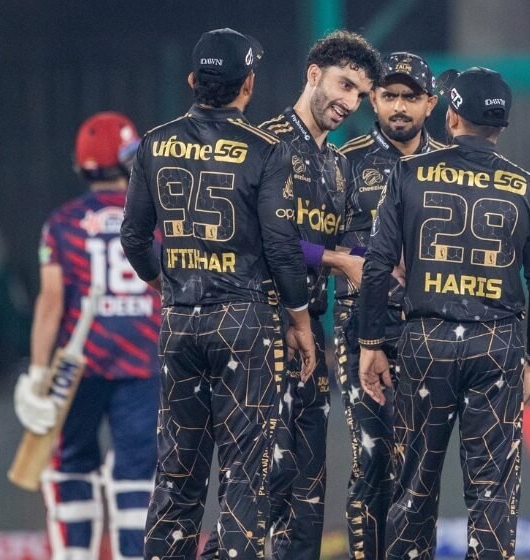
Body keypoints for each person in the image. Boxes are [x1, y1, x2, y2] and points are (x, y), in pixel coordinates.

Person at [119, 28, 317, 559]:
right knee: (243, 475)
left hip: (180, 321)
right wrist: (300, 321)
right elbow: (281, 247)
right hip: (243, 326)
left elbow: (134, 237)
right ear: (248, 84)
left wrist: (165, 282)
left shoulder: (154, 143)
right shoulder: (267, 150)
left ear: (192, 80)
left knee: (177, 471)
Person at [356, 67, 530, 560]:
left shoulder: (408, 173)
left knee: (413, 487)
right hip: (497, 345)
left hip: (425, 341)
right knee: (493, 491)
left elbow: (377, 263)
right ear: (501, 126)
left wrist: (370, 342)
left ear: (451, 116)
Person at [255, 30, 381, 560]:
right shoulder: (264, 143)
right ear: (313, 74)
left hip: (312, 339)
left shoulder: (339, 165)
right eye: (344, 85)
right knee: (260, 489)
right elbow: (265, 239)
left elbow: (351, 246)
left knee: (309, 493)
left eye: (360, 95)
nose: (350, 102)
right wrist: (337, 261)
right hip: (262, 332)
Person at [15, 111, 159, 560]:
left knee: (71, 466)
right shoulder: (156, 218)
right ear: (129, 161)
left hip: (78, 368)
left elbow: (50, 304)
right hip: (144, 361)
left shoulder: (62, 223)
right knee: (138, 475)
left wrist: (38, 373)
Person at [336, 51, 443, 559]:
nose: (399, 106)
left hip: (430, 329)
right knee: (373, 458)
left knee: (420, 467)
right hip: (361, 326)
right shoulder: (346, 161)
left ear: (430, 104)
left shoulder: (449, 166)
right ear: (373, 100)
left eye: (410, 97)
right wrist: (354, 260)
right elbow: (299, 244)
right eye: (389, 96)